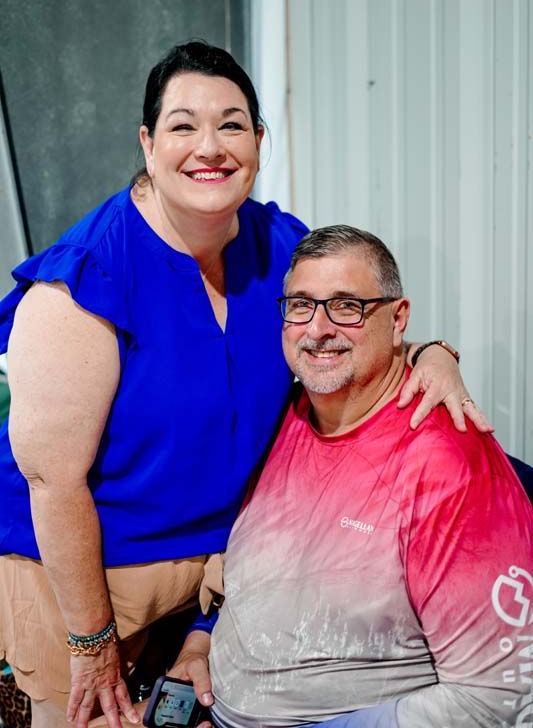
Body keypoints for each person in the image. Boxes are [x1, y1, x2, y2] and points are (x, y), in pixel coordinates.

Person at [0, 42, 489, 728]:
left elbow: (351, 325)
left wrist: (431, 354)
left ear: (259, 141)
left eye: (231, 124)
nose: (210, 146)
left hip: (221, 574)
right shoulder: (84, 280)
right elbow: (53, 483)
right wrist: (91, 646)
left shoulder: (279, 244)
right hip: (82, 582)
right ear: (147, 143)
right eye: (182, 125)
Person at [169, 226, 532, 728]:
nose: (318, 329)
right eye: (301, 305)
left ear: (398, 318)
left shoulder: (446, 462)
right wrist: (199, 644)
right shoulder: (283, 415)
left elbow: (496, 697)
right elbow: (256, 580)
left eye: (347, 306)